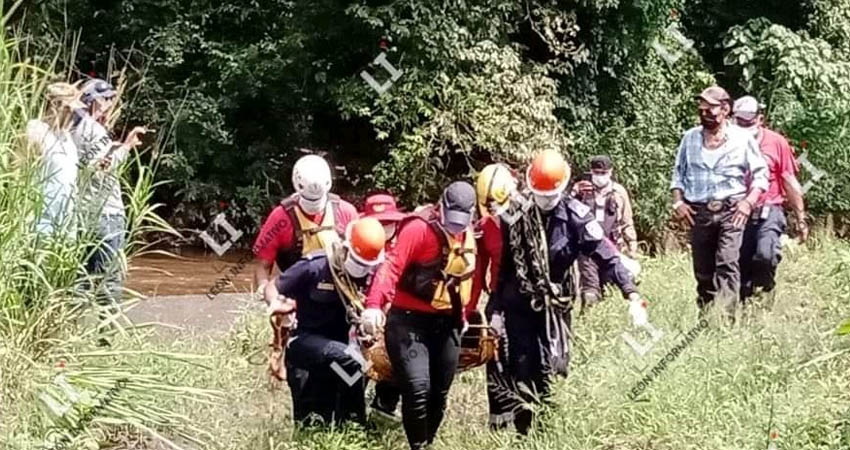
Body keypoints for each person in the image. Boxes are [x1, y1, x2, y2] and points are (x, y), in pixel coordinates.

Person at [472, 154, 647, 434]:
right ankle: (525, 433)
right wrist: (495, 309)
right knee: (521, 366)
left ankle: (547, 431)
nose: (545, 201)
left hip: (555, 305)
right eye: (540, 195)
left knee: (551, 368)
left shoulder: (576, 217)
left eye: (551, 195)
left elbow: (606, 256)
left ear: (563, 187)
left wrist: (632, 294)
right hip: (518, 302)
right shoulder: (516, 213)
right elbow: (505, 266)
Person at [360, 182, 479, 450]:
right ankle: (418, 446)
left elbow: (472, 277)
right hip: (408, 320)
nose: (456, 226)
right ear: (441, 207)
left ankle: (427, 443)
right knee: (417, 388)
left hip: (447, 322)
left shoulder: (469, 235)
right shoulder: (419, 229)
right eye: (452, 220)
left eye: (462, 221)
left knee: (439, 393)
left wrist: (468, 314)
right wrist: (373, 304)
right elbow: (391, 266)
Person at [264, 218, 386, 426]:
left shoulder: (373, 274)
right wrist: (276, 303)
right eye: (358, 262)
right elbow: (274, 286)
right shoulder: (316, 266)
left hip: (341, 345)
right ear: (346, 249)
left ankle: (348, 425)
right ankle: (354, 423)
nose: (361, 269)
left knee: (359, 369)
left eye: (367, 265)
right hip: (305, 342)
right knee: (351, 360)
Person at [252, 154, 358, 379]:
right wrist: (268, 294)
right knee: (301, 370)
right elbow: (262, 263)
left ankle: (344, 401)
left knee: (346, 363)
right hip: (297, 300)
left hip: (339, 298)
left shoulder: (346, 212)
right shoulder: (280, 218)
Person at [670, 86, 768, 317]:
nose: (705, 112)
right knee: (703, 271)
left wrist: (748, 202)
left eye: (711, 108)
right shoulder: (689, 138)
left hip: (731, 210)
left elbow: (761, 175)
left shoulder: (742, 138)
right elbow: (678, 174)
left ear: (725, 109)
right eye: (702, 108)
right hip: (698, 211)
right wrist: (678, 203)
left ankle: (727, 320)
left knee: (727, 262)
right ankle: (705, 316)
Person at [72, 78, 147, 338]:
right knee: (109, 280)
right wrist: (126, 146)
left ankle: (68, 333)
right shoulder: (95, 129)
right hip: (107, 214)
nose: (109, 105)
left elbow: (89, 163)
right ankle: (107, 338)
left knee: (80, 279)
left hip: (81, 214)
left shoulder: (73, 129)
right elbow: (103, 166)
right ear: (93, 100)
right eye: (106, 99)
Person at [732, 96, 808, 301]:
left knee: (765, 255)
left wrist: (800, 218)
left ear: (760, 119)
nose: (745, 125)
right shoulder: (726, 142)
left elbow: (789, 180)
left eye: (749, 121)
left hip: (769, 209)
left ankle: (765, 289)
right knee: (739, 264)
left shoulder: (776, 142)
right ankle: (745, 309)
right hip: (736, 210)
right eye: (740, 121)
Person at [360, 193, 406, 422]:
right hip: (360, 317)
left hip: (395, 317)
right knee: (356, 364)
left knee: (396, 362)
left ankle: (385, 405)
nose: (384, 228)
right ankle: (351, 407)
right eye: (378, 223)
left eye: (388, 223)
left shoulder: (403, 249)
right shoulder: (356, 248)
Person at [572, 155, 640, 307]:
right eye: (596, 173)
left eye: (603, 173)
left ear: (610, 172)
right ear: (591, 172)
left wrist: (632, 251)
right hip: (587, 250)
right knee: (590, 292)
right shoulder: (583, 190)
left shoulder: (618, 193)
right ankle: (589, 321)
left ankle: (607, 321)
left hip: (612, 247)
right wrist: (574, 193)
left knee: (611, 289)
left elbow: (627, 222)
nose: (599, 177)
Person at [26, 82, 85, 238]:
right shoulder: (36, 130)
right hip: (40, 221)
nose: (74, 115)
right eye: (70, 109)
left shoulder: (67, 138)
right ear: (57, 106)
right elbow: (19, 170)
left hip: (66, 222)